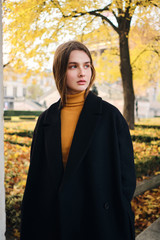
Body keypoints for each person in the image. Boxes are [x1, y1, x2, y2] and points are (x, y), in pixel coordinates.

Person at [20, 41, 136, 240]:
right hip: (56, 223)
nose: (82, 72)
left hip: (100, 222)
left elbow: (127, 174)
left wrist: (115, 210)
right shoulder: (46, 120)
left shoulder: (110, 116)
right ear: (60, 71)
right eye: (73, 66)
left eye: (87, 65)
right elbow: (36, 179)